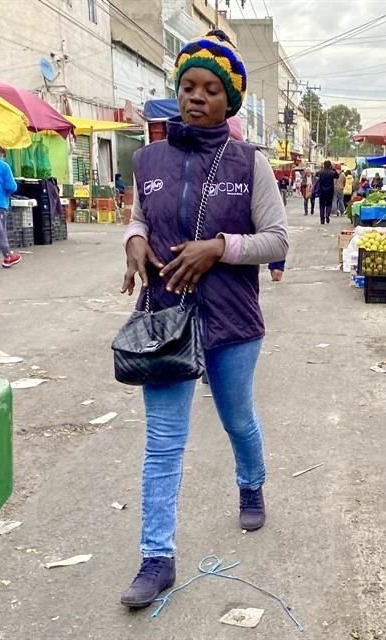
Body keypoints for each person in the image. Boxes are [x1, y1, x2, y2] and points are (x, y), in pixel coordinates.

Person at [118, 29, 288, 609]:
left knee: (237, 418)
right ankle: (156, 557)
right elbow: (140, 217)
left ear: (229, 101)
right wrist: (134, 241)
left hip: (233, 321)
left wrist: (220, 247)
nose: (196, 97)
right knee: (164, 441)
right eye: (188, 86)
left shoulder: (250, 163)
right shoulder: (149, 159)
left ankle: (251, 484)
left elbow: (278, 240)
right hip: (167, 317)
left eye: (210, 90)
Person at [315, 160, 338, 224]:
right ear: (330, 165)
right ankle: (327, 214)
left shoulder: (321, 172)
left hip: (321, 191)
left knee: (321, 205)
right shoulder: (332, 172)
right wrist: (333, 168)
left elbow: (316, 174)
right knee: (329, 204)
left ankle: (322, 219)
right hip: (330, 191)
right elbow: (337, 175)